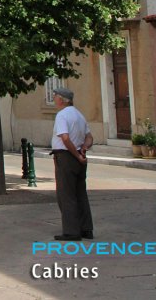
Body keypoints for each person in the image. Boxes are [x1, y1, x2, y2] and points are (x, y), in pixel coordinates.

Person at [50, 87, 94, 242]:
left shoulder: (62, 115)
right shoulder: (79, 114)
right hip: (79, 157)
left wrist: (76, 154)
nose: (54, 99)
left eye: (55, 96)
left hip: (66, 157)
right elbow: (89, 137)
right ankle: (86, 228)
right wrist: (84, 149)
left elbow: (65, 138)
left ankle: (71, 231)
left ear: (61, 99)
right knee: (80, 193)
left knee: (66, 195)